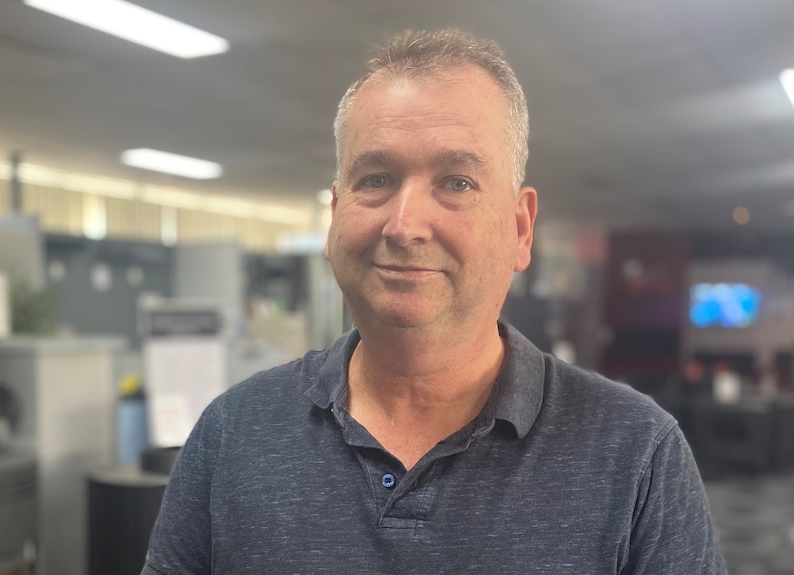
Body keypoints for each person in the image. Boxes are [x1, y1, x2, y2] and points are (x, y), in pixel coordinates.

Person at [142, 29, 727, 574]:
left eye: (457, 182)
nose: (404, 224)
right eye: (376, 179)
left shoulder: (637, 454)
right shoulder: (232, 433)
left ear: (520, 229)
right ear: (334, 217)